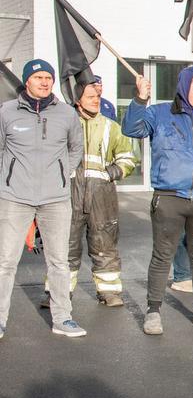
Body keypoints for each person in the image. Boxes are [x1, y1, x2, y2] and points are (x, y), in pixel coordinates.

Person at [123, 66, 193, 335]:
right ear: (185, 86)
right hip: (170, 198)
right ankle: (153, 311)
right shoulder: (160, 113)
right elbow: (131, 128)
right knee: (162, 255)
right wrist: (140, 99)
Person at [0, 60, 85, 340]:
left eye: (48, 77)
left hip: (55, 199)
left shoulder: (66, 114)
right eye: (38, 77)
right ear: (27, 81)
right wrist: (8, 181)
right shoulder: (7, 112)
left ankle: (63, 318)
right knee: (5, 263)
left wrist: (63, 174)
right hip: (15, 198)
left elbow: (76, 148)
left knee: (59, 262)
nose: (45, 81)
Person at [56, 80, 136, 309]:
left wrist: (112, 173)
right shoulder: (66, 125)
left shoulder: (112, 126)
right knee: (65, 246)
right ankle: (58, 293)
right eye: (91, 96)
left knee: (104, 244)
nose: (96, 100)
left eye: (98, 97)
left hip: (102, 196)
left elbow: (128, 157)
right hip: (70, 194)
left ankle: (109, 291)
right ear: (78, 100)